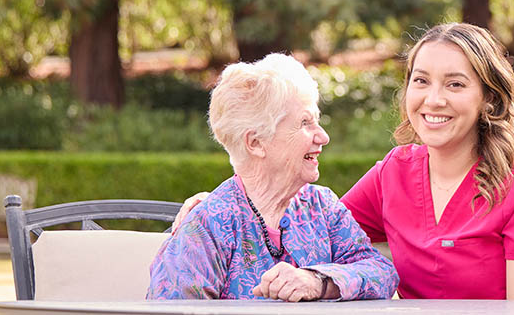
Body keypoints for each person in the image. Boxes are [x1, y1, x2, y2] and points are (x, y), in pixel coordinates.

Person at [339, 23, 514, 300]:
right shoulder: (393, 172)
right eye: (421, 81)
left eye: (454, 84)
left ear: (489, 98)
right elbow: (320, 233)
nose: (433, 100)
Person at [147, 53, 398, 301]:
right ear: (256, 143)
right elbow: (168, 310)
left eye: (317, 121)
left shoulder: (322, 207)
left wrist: (319, 282)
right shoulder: (207, 226)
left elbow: (381, 273)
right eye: (304, 123)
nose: (323, 137)